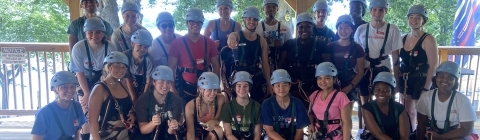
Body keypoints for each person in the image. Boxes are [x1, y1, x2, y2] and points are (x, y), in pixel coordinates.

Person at [69, 17, 117, 140]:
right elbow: (79, 72)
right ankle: (85, 137)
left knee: (105, 105)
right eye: (90, 32)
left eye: (98, 32)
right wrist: (86, 93)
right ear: (85, 33)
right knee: (86, 110)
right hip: (84, 79)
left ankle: (103, 134)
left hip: (104, 78)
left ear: (103, 34)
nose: (94, 35)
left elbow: (113, 71)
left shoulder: (111, 47)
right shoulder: (79, 47)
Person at [354, 0, 403, 108]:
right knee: (365, 101)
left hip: (383, 68)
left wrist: (396, 80)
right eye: (374, 9)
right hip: (365, 69)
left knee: (384, 100)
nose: (377, 12)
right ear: (370, 11)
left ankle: (384, 123)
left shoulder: (393, 30)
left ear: (386, 11)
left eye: (381, 10)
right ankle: (368, 123)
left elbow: (396, 56)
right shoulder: (361, 29)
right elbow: (356, 53)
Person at [168, 8, 221, 107]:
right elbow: (171, 67)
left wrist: (216, 86)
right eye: (192, 22)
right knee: (187, 117)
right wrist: (172, 87)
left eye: (198, 22)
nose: (195, 25)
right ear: (186, 23)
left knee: (205, 117)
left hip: (207, 88)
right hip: (185, 88)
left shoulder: (209, 43)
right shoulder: (177, 43)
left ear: (202, 24)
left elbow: (216, 65)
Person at [399, 4, 439, 130]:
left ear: (423, 20)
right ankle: (411, 134)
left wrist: (426, 88)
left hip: (421, 80)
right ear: (407, 19)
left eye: (418, 18)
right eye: (411, 17)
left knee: (423, 115)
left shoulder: (428, 39)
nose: (414, 20)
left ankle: (425, 136)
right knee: (407, 111)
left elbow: (433, 65)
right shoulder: (403, 38)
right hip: (406, 80)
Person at [416, 61, 478, 140]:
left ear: (455, 81)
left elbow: (467, 129)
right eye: (441, 76)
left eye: (450, 78)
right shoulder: (425, 97)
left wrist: (441, 137)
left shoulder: (462, 101)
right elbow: (421, 124)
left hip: (458, 134)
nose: (445, 80)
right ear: (436, 78)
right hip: (435, 132)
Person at [278, 12, 328, 109]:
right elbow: (281, 65)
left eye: (308, 27)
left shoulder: (321, 45)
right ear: (297, 28)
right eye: (301, 27)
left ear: (312, 27)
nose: (304, 30)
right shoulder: (289, 44)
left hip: (314, 86)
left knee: (313, 115)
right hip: (292, 86)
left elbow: (326, 67)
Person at [226, 6, 272, 103]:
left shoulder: (262, 41)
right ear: (243, 19)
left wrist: (269, 84)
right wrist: (231, 40)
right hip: (239, 77)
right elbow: (232, 37)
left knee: (258, 105)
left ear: (257, 22)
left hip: (256, 77)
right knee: (239, 106)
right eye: (249, 18)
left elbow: (265, 64)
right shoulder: (237, 36)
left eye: (255, 19)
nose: (252, 21)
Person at [329, 15, 365, 130]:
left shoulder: (357, 48)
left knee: (346, 117)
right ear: (337, 29)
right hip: (332, 84)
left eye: (346, 28)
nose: (343, 31)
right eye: (340, 28)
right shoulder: (330, 46)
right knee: (332, 115)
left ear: (352, 29)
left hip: (350, 83)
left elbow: (360, 72)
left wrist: (350, 87)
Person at [88, 51, 135, 140]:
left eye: (124, 67)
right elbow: (92, 121)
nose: (121, 70)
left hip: (123, 133)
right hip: (104, 135)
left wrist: (132, 113)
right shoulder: (99, 88)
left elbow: (129, 106)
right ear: (109, 67)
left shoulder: (124, 85)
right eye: (117, 65)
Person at [31, 71, 86, 140]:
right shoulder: (44, 113)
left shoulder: (76, 107)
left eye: (72, 87)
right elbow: (36, 138)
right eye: (64, 87)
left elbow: (77, 130)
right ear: (55, 90)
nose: (69, 90)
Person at [135, 65, 183, 140]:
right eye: (161, 81)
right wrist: (153, 123)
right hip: (148, 135)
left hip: (167, 135)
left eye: (168, 82)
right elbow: (143, 130)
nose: (165, 86)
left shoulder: (176, 100)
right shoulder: (143, 99)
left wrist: (172, 128)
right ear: (153, 82)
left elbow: (172, 131)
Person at [307, 62, 352, 140]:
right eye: (319, 78)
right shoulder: (315, 95)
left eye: (327, 78)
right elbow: (310, 113)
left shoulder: (341, 96)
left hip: (335, 137)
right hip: (318, 136)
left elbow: (347, 123)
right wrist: (311, 124)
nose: (323, 81)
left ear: (334, 79)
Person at [261, 69, 310, 140]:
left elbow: (299, 131)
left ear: (290, 86)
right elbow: (269, 131)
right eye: (278, 85)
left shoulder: (298, 104)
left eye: (285, 84)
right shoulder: (267, 104)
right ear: (272, 87)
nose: (281, 88)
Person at [361, 72, 410, 140]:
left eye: (386, 90)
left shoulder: (400, 108)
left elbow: (404, 136)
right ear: (373, 90)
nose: (381, 93)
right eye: (378, 89)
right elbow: (377, 134)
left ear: (392, 92)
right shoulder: (367, 108)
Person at [220, 71, 262, 140]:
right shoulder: (227, 107)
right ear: (234, 87)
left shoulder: (257, 107)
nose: (242, 89)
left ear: (249, 87)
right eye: (239, 86)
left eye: (245, 86)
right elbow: (228, 134)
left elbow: (257, 133)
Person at [185, 72, 226, 140]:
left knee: (218, 130)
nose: (213, 93)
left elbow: (219, 119)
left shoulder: (220, 99)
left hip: (210, 134)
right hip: (196, 135)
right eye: (209, 89)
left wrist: (214, 122)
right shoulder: (190, 106)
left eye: (215, 89)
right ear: (200, 89)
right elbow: (190, 131)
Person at [255, 0, 293, 70]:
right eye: (268, 6)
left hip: (280, 67)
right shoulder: (256, 28)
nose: (271, 9)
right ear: (263, 8)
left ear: (277, 9)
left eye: (274, 7)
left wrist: (281, 46)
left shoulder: (285, 28)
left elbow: (290, 49)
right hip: (261, 67)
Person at [123, 29, 155, 103]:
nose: (142, 49)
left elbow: (148, 81)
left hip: (142, 85)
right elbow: (128, 80)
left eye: (146, 47)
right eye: (139, 45)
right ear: (132, 44)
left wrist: (143, 97)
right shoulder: (125, 57)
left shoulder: (149, 59)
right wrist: (134, 98)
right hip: (126, 85)